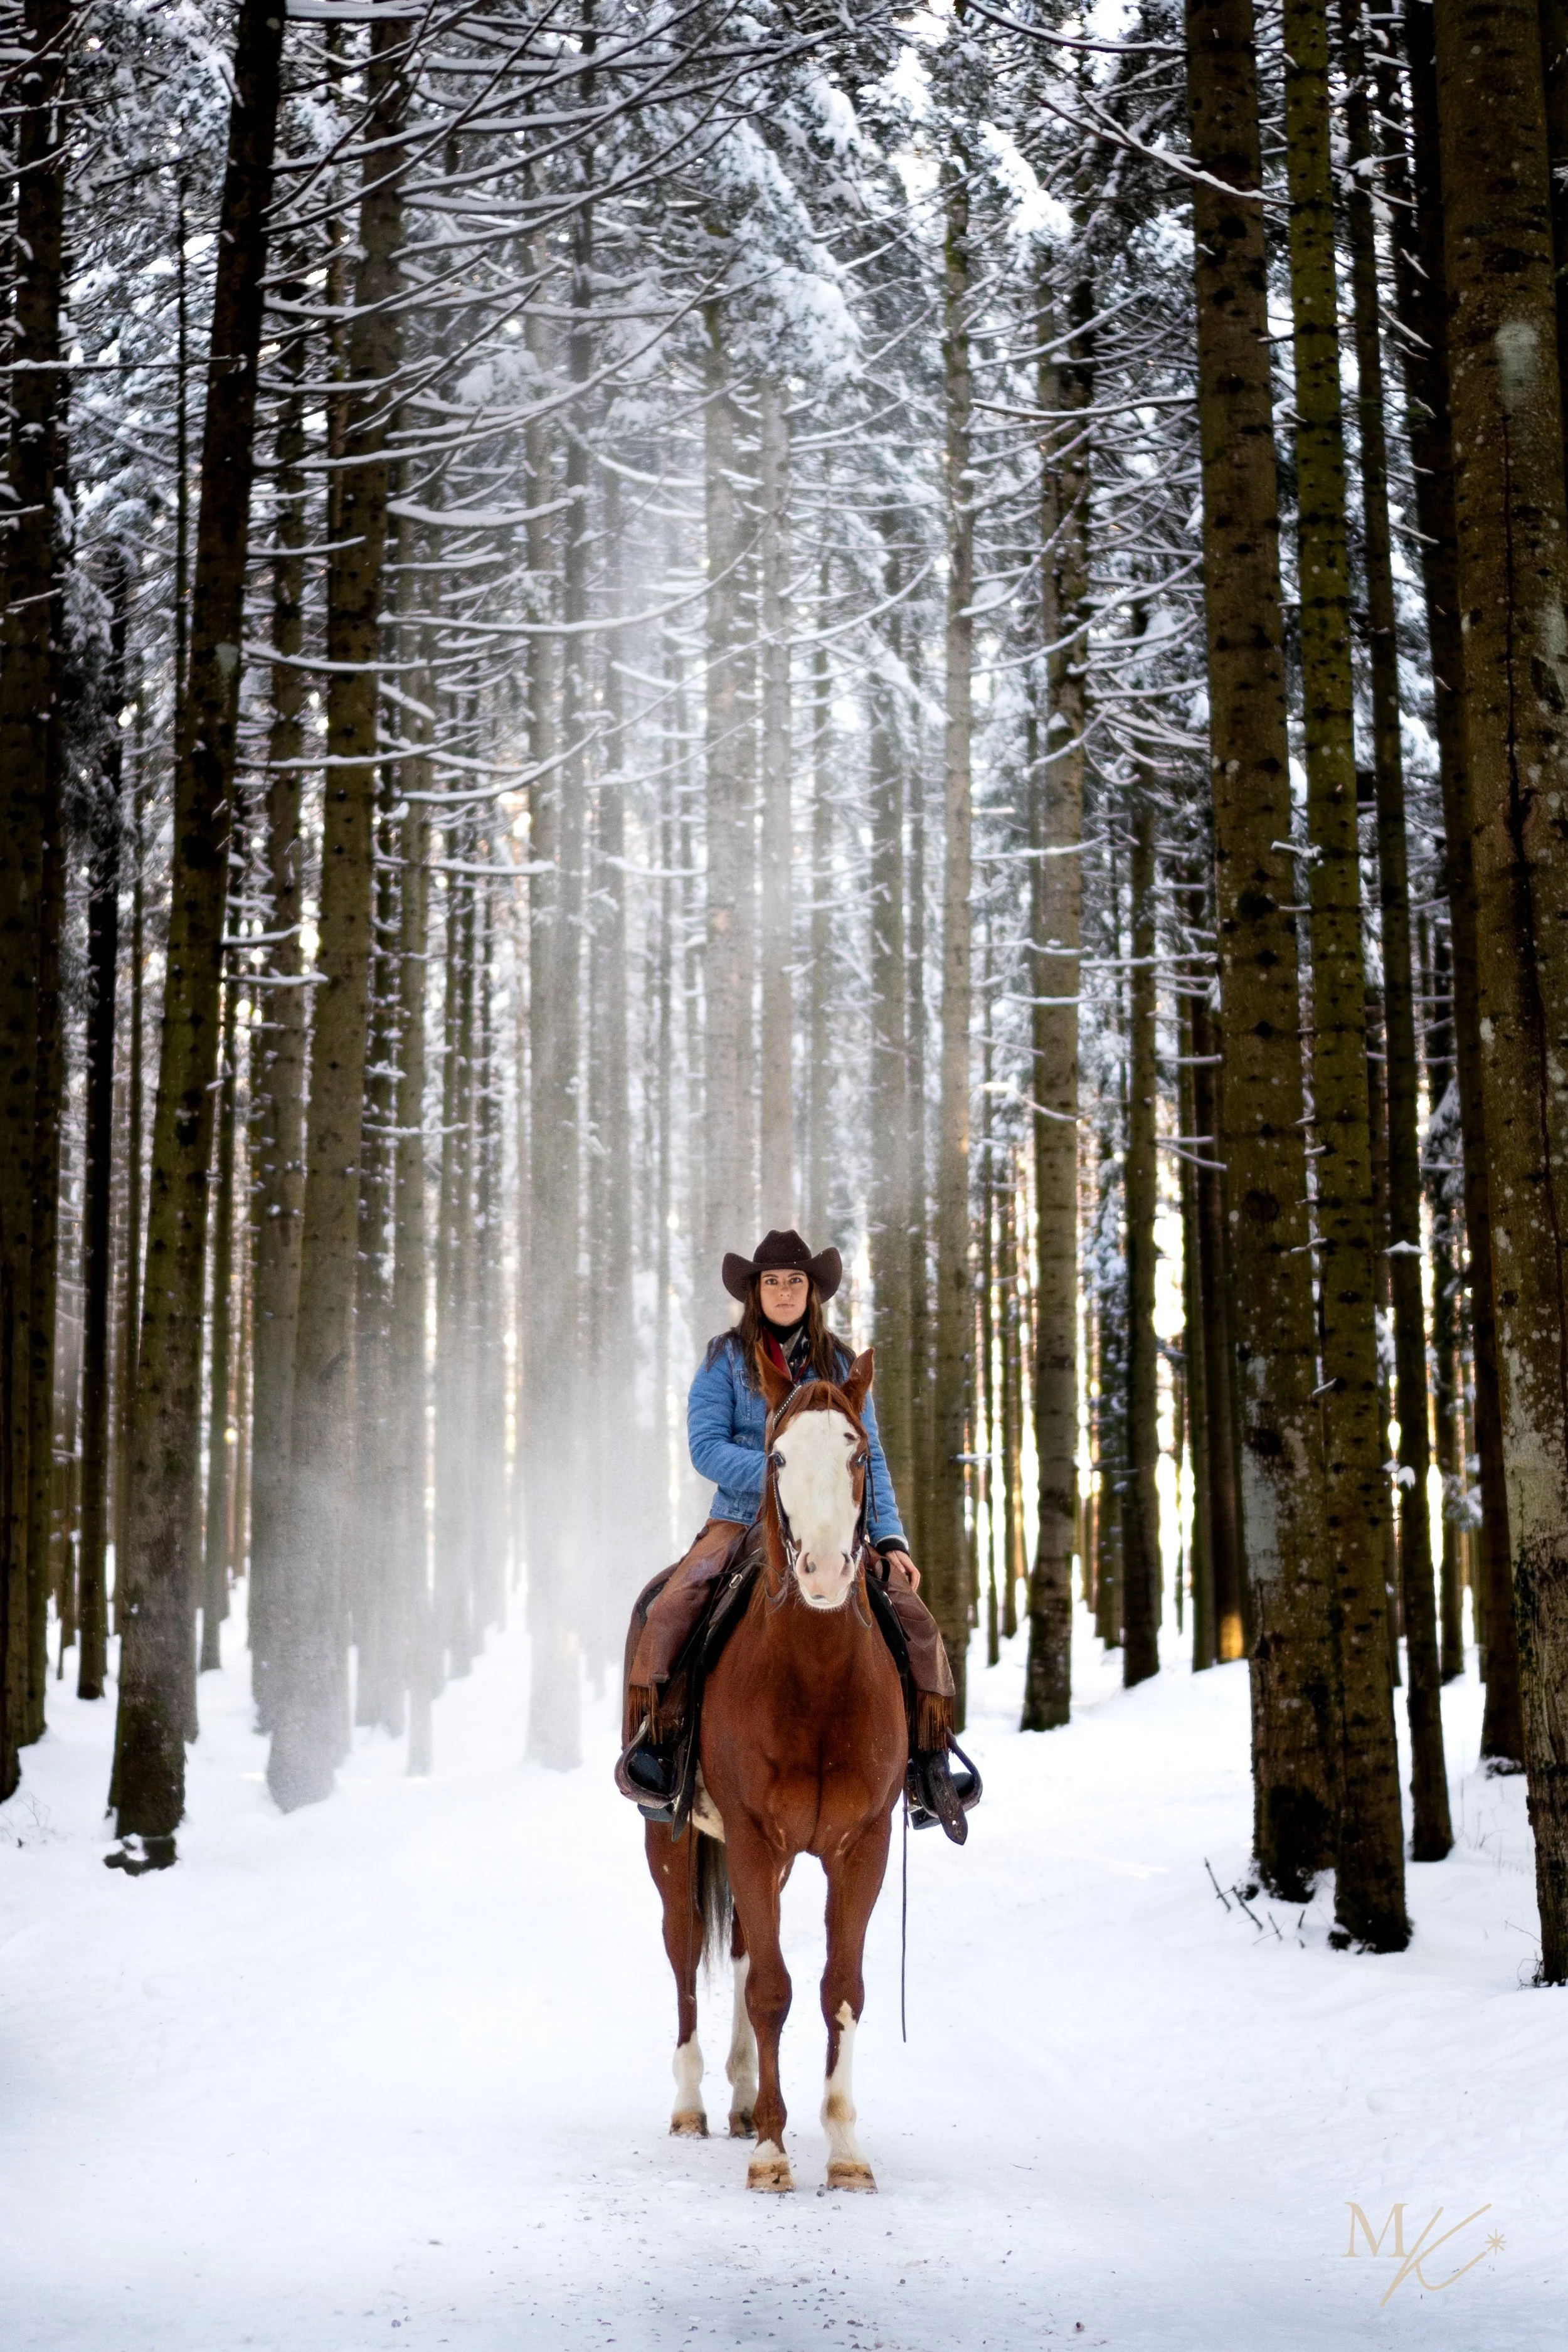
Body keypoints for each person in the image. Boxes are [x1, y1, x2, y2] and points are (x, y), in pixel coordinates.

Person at [616, 1227, 977, 1841]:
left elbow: (872, 1456)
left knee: (913, 1617)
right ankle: (663, 1754)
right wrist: (786, 1475)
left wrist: (890, 1540)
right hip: (741, 1517)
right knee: (671, 1605)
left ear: (812, 1291)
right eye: (772, 1282)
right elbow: (706, 1447)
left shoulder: (838, 1363)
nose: (783, 1291)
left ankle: (927, 1761)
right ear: (755, 1293)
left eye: (794, 1281)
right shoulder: (723, 1359)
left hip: (832, 1521)